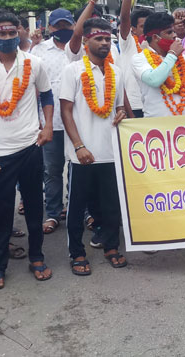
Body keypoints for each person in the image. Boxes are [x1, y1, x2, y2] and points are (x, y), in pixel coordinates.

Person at [0, 11, 54, 290]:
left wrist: (48, 126)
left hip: (30, 145)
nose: (7, 37)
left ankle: (37, 256)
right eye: (1, 33)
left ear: (19, 31)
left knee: (34, 207)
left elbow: (47, 94)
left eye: (12, 32)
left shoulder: (34, 63)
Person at [60, 17, 128, 276]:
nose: (104, 43)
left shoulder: (116, 72)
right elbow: (66, 111)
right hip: (83, 154)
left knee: (111, 205)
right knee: (77, 206)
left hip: (110, 151)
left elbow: (119, 107)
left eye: (108, 39)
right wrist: (79, 146)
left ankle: (111, 246)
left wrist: (121, 113)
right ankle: (76, 253)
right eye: (99, 38)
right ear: (86, 42)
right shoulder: (73, 70)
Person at [30, 8, 74, 235]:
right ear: (50, 27)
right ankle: (53, 213)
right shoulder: (39, 50)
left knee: (78, 168)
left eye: (67, 25)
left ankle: (79, 210)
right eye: (59, 26)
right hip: (51, 122)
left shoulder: (80, 48)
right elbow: (32, 86)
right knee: (52, 170)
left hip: (77, 121)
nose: (63, 29)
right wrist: (37, 120)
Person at [133, 12, 185, 117]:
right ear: (155, 37)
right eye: (169, 32)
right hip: (157, 125)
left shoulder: (181, 58)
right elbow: (154, 80)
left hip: (184, 124)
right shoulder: (139, 59)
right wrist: (172, 54)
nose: (174, 36)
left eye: (174, 31)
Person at [117, 0, 150, 118]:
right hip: (133, 106)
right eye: (143, 26)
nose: (146, 30)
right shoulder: (128, 42)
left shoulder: (157, 45)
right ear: (133, 29)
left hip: (152, 105)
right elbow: (125, 17)